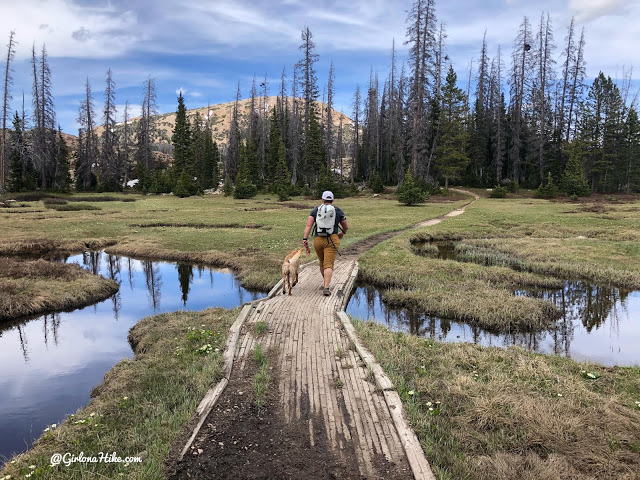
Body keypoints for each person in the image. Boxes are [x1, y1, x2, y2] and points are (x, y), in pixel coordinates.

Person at [302, 190, 349, 296]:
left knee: (322, 262)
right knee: (329, 263)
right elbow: (346, 226)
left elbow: (308, 225)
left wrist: (305, 238)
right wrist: (342, 233)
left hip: (318, 239)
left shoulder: (316, 210)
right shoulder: (337, 210)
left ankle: (325, 283)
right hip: (332, 239)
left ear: (322, 199)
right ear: (332, 200)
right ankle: (326, 287)